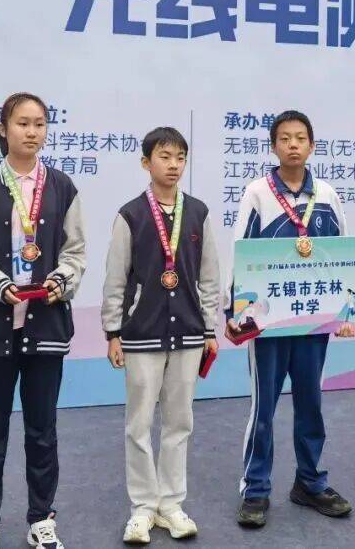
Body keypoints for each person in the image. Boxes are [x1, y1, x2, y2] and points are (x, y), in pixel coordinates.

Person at [0, 92, 86, 549]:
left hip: (46, 327)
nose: (32, 132)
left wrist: (62, 280)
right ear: (3, 128)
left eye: (39, 124)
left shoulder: (62, 187)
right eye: (22, 123)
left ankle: (41, 519)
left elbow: (75, 251)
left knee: (42, 432)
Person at [224, 110, 355, 529]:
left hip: (313, 322)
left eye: (300, 138)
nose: (293, 145)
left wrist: (348, 311)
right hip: (268, 324)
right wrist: (236, 311)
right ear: (273, 146)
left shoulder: (328, 194)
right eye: (285, 138)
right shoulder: (257, 193)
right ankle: (256, 488)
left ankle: (310, 482)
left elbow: (345, 255)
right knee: (263, 407)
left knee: (310, 403)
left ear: (312, 145)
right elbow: (241, 251)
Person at [101, 126, 221, 544]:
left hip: (189, 333)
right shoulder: (131, 215)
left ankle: (171, 504)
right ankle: (142, 508)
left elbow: (209, 277)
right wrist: (113, 331)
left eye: (180, 157)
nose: (173, 165)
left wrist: (209, 328)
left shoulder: (199, 213)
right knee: (138, 423)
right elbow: (116, 278)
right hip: (141, 333)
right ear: (145, 162)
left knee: (179, 421)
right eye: (164, 156)